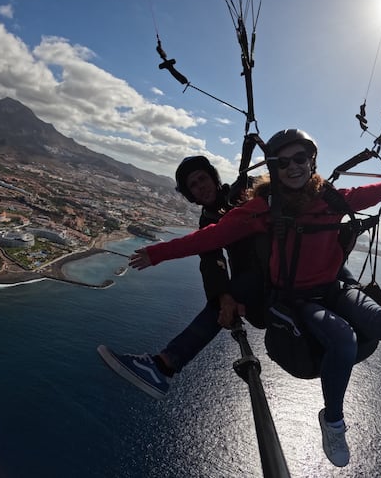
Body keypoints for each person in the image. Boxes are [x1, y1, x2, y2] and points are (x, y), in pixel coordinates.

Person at [129, 129, 381, 468]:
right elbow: (209, 239)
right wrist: (157, 252)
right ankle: (334, 421)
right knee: (342, 337)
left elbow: (365, 195)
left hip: (333, 286)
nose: (293, 167)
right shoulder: (260, 208)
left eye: (301, 159)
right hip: (296, 298)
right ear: (273, 168)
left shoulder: (329, 198)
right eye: (284, 162)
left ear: (312, 161)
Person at [98, 156, 264, 399]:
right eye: (193, 185)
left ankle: (164, 365)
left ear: (214, 178)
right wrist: (223, 296)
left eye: (202, 179)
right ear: (189, 194)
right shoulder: (208, 218)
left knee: (224, 299)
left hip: (273, 273)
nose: (200, 187)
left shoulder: (246, 190)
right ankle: (164, 365)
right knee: (219, 303)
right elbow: (211, 262)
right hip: (256, 281)